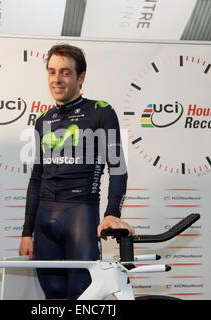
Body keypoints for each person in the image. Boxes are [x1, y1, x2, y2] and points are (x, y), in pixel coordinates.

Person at [19, 43, 134, 299]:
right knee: (53, 298)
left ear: (80, 77)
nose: (56, 79)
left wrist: (112, 213)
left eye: (65, 72)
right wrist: (27, 231)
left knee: (82, 297)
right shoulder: (43, 120)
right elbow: (37, 177)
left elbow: (117, 167)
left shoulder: (101, 112)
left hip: (80, 214)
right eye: (51, 72)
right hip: (44, 219)